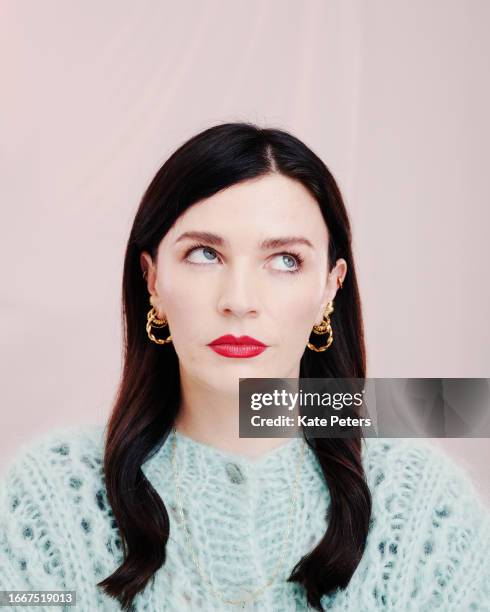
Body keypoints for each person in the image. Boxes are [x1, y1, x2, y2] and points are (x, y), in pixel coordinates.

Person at [1, 122, 489, 612]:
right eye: (205, 254)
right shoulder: (50, 498)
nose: (238, 301)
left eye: (285, 261)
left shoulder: (425, 507)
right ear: (152, 280)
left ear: (329, 288)